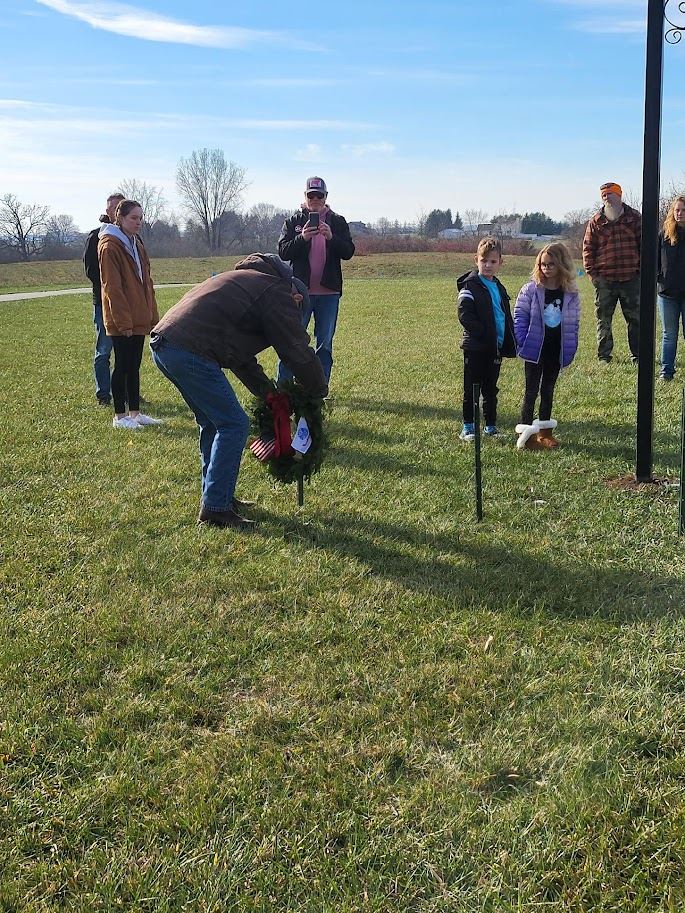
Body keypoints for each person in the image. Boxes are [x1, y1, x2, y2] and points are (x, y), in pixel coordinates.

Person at [150, 254, 328, 531]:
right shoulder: (277, 291)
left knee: (212, 423)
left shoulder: (250, 283)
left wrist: (268, 393)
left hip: (166, 344)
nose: (295, 315)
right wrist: (317, 389)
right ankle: (216, 510)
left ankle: (217, 496)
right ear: (296, 295)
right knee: (234, 424)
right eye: (298, 309)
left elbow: (238, 357)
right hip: (188, 349)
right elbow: (295, 349)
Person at [276, 176, 355, 385]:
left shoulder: (337, 222)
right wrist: (302, 238)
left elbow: (348, 252)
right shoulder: (293, 222)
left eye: (319, 195)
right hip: (299, 294)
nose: (315, 199)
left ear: (326, 197)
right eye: (311, 195)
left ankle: (320, 389)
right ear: (305, 196)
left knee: (325, 345)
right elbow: (283, 252)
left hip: (329, 294)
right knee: (291, 341)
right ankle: (285, 387)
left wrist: (332, 238)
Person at [98, 199, 161, 429]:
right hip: (121, 319)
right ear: (120, 218)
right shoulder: (109, 246)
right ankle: (119, 416)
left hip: (138, 317)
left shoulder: (136, 243)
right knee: (122, 365)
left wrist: (151, 314)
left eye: (141, 218)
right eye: (134, 218)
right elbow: (112, 287)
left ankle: (135, 413)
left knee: (134, 365)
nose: (138, 222)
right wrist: (123, 322)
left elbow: (147, 282)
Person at [513, 242, 581, 450]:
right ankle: (527, 434)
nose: (546, 268)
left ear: (561, 264)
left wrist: (571, 345)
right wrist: (522, 341)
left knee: (548, 389)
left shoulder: (570, 293)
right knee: (531, 390)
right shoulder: (531, 289)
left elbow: (574, 323)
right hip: (535, 350)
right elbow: (520, 317)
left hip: (556, 350)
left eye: (551, 264)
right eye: (543, 264)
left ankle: (545, 432)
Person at [457, 237, 516, 441]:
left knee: (491, 389)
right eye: (484, 261)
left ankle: (490, 426)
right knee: (471, 388)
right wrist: (482, 334)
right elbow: (465, 315)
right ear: (476, 260)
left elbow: (504, 316)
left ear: (501, 262)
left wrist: (508, 338)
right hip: (476, 348)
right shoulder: (470, 285)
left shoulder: (499, 288)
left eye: (492, 261)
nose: (488, 265)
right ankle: (468, 426)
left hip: (495, 348)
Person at [582, 181, 641, 364]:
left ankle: (638, 355)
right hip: (605, 280)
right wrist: (593, 275)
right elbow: (587, 249)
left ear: (619, 195)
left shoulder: (635, 218)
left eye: (610, 194)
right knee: (603, 320)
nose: (607, 198)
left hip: (631, 278)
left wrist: (641, 271)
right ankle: (604, 356)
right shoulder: (596, 221)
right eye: (604, 195)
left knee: (636, 320)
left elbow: (645, 246)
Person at [83, 192, 124, 405]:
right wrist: (113, 287)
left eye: (119, 208)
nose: (115, 212)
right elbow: (91, 271)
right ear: (108, 211)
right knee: (104, 350)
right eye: (112, 209)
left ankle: (125, 392)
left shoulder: (131, 237)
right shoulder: (95, 236)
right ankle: (104, 394)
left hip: (127, 305)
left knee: (125, 352)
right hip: (104, 303)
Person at [657, 195, 685, 382]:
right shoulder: (664, 235)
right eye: (677, 210)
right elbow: (655, 261)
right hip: (667, 294)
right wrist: (660, 279)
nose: (680, 213)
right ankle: (666, 372)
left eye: (683, 210)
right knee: (669, 335)